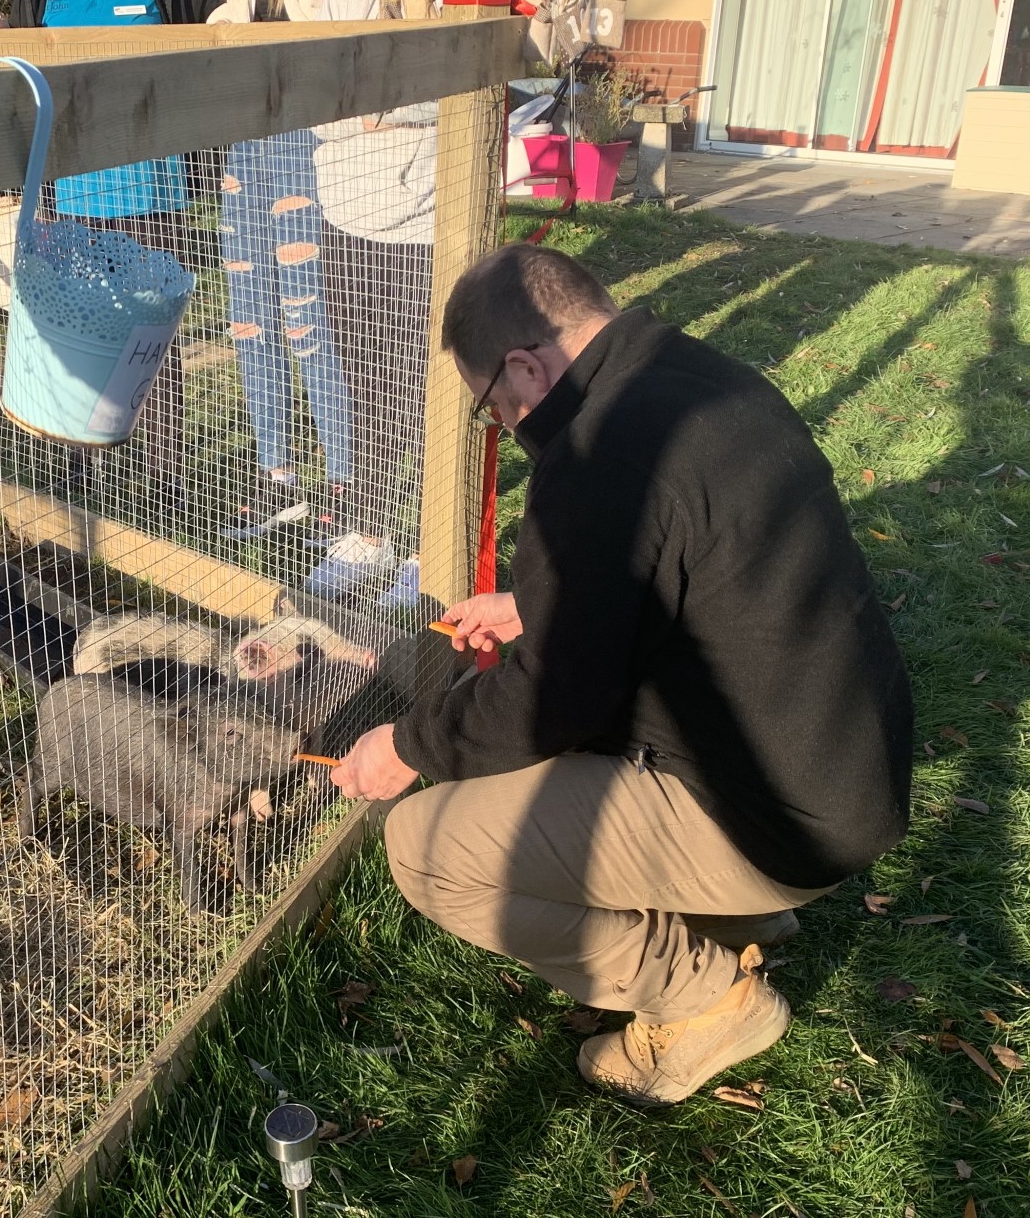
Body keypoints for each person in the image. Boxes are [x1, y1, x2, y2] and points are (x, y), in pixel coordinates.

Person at [330, 244, 913, 1107]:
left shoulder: (596, 463)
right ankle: (736, 913)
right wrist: (539, 604)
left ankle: (705, 999)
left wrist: (407, 746)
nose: (507, 424)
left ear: (526, 364)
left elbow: (548, 704)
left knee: (426, 850)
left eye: (495, 405)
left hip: (777, 820)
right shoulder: (696, 375)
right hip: (847, 774)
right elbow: (686, 567)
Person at [0, 0, 223, 518]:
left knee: (151, 344)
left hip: (149, 198)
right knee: (72, 331)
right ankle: (76, 457)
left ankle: (164, 474)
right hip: (76, 199)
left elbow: (221, 22)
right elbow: (15, 54)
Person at [206, 0, 356, 538]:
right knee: (251, 320)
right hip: (248, 134)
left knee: (310, 320)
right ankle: (277, 478)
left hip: (309, 132)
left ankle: (345, 483)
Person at [304, 0, 436, 604]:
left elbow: (483, 90)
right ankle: (371, 530)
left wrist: (379, 105)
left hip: (428, 225)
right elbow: (311, 95)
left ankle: (428, 551)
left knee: (429, 386)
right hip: (346, 215)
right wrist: (364, 111)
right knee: (363, 380)